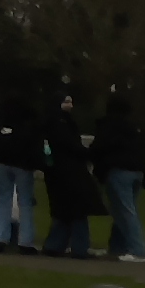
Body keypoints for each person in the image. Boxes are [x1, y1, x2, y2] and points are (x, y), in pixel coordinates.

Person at [91, 91, 145, 264]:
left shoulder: (109, 125)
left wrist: (96, 165)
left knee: (125, 212)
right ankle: (118, 247)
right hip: (137, 172)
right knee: (125, 210)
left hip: (118, 171)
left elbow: (99, 147)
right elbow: (144, 152)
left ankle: (139, 251)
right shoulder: (136, 127)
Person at [39, 90, 98, 259]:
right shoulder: (60, 123)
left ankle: (54, 245)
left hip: (57, 171)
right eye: (66, 102)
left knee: (63, 211)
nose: (70, 105)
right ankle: (79, 248)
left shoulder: (50, 121)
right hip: (69, 171)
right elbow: (69, 145)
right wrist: (88, 153)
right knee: (77, 210)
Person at [0, 93, 43, 253]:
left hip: (1, 163)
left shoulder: (0, 121)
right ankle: (25, 241)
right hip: (22, 165)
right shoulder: (28, 123)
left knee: (3, 199)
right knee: (25, 202)